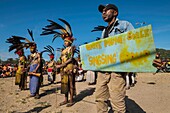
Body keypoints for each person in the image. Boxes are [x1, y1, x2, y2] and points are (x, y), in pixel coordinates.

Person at [95, 4, 134, 113]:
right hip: (104, 70)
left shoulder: (125, 25)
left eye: (106, 10)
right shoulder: (104, 31)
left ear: (115, 12)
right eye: (102, 11)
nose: (103, 13)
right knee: (99, 98)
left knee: (117, 102)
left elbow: (135, 42)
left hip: (117, 69)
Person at [41, 18, 77, 107]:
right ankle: (66, 99)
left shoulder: (71, 49)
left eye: (66, 41)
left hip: (69, 68)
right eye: (64, 41)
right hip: (63, 69)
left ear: (69, 41)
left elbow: (71, 58)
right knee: (64, 84)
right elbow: (61, 59)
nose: (65, 42)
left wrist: (63, 64)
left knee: (71, 85)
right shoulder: (63, 50)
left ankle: (71, 100)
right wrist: (58, 65)